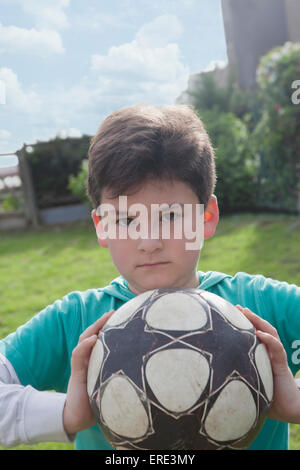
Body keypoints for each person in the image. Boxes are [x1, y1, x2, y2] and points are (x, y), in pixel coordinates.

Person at [0, 104, 299, 450]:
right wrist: (65, 413)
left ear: (207, 217)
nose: (149, 242)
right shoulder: (76, 321)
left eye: (171, 216)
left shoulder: (262, 306)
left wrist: (294, 401)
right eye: (127, 221)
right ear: (102, 226)